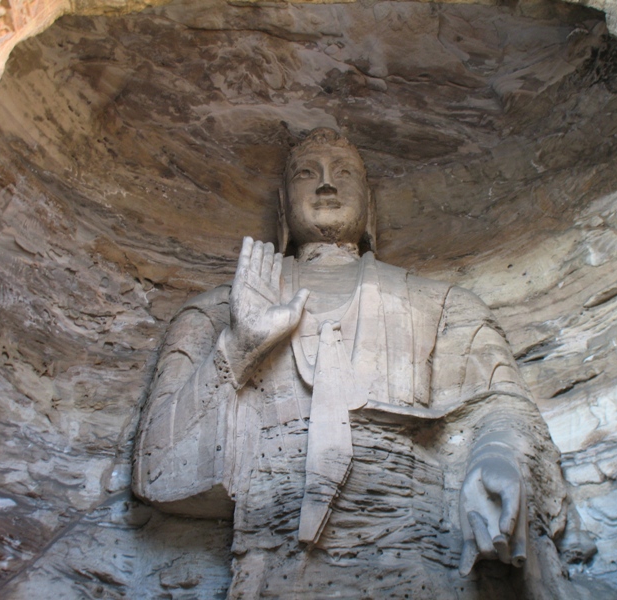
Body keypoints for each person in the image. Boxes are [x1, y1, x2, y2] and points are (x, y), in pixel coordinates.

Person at [133, 128, 574, 599]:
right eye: (307, 173)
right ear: (283, 208)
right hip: (271, 566)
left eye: (343, 173)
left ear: (370, 207)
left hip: (423, 560)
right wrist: (239, 348)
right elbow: (155, 472)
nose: (326, 185)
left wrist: (496, 456)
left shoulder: (440, 304)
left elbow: (501, 407)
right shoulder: (218, 312)